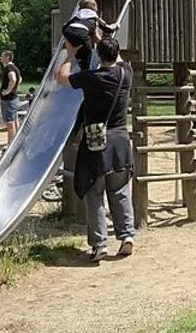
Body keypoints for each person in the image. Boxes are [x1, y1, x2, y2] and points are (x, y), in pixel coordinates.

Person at [57, 36, 136, 261]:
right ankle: (127, 236)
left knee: (94, 193)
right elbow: (117, 56)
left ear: (98, 56)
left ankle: (99, 244)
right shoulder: (125, 74)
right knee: (120, 191)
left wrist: (70, 54)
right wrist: (100, 37)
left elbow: (61, 78)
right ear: (116, 53)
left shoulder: (91, 78)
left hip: (96, 145)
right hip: (120, 142)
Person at [63, 0, 118, 71]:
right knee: (87, 52)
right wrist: (115, 26)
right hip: (82, 33)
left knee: (78, 48)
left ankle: (77, 61)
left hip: (69, 31)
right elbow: (106, 27)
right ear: (95, 7)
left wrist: (65, 36)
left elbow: (65, 25)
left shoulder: (77, 15)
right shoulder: (93, 15)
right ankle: (85, 69)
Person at [0, 50, 22, 144]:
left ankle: (10, 145)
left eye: (2, 56)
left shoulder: (9, 68)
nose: (0, 58)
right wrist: (14, 88)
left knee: (10, 124)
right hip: (14, 98)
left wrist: (8, 91)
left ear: (7, 57)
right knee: (15, 121)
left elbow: (13, 78)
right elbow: (20, 79)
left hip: (9, 100)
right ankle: (16, 142)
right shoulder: (15, 67)